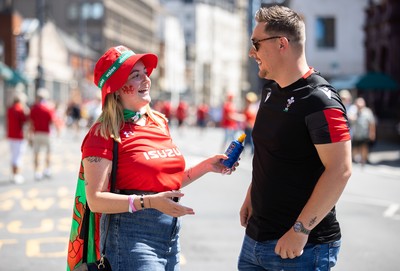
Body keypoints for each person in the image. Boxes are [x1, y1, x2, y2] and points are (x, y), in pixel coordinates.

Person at [82, 45, 235, 271]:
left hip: (170, 237)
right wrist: (150, 202)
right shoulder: (102, 133)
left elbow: (164, 183)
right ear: (116, 88)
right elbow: (95, 200)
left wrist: (206, 166)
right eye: (135, 75)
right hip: (130, 238)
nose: (146, 80)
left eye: (145, 73)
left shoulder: (159, 122)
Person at [238, 6, 352, 270]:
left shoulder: (320, 100)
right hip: (254, 240)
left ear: (281, 44)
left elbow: (341, 170)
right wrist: (251, 194)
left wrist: (300, 230)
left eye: (256, 43)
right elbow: (270, 155)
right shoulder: (269, 92)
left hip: (301, 248)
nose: (251, 52)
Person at [29, 88, 55, 181]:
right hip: (46, 133)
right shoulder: (48, 108)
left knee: (36, 153)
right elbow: (52, 121)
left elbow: (30, 123)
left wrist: (29, 135)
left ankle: (37, 172)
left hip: (36, 133)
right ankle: (47, 169)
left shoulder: (33, 109)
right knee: (48, 152)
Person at [6, 92, 29, 184]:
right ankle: (17, 175)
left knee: (13, 156)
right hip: (18, 136)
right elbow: (25, 120)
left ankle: (13, 174)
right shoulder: (20, 109)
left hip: (11, 135)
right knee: (18, 157)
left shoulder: (10, 109)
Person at [348, 97, 376, 166]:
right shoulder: (353, 111)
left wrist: (372, 133)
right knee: (355, 147)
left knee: (364, 147)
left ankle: (363, 160)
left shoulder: (367, 112)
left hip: (364, 133)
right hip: (356, 133)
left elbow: (372, 123)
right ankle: (354, 159)